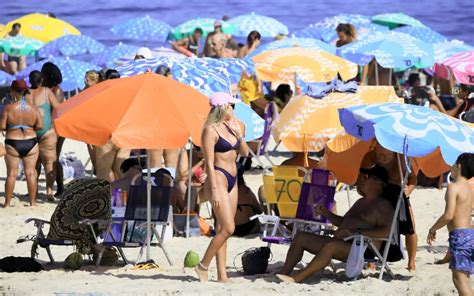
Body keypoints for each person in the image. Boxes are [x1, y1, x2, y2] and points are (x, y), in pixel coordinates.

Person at [276, 165, 394, 283]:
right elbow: (343, 222)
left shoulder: (383, 206)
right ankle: (284, 272)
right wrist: (326, 213)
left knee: (331, 246)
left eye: (367, 177)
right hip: (343, 242)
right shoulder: (361, 201)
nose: (362, 179)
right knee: (301, 237)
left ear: (379, 183)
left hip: (361, 247)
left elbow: (386, 231)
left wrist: (355, 232)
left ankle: (296, 278)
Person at [195, 92, 249, 283]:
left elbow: (246, 153)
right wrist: (214, 189)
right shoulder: (210, 130)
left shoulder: (233, 126)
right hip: (218, 177)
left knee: (222, 228)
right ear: (222, 107)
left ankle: (222, 275)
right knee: (228, 228)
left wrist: (239, 136)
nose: (233, 109)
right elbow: (208, 162)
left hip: (234, 178)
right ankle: (202, 265)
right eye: (230, 106)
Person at [360, 141, 418, 271]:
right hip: (377, 197)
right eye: (381, 155)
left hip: (399, 196)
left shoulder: (402, 157)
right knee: (372, 227)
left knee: (410, 229)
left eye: (387, 155)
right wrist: (365, 191)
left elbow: (413, 178)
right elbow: (360, 182)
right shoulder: (369, 157)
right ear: (375, 149)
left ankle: (411, 261)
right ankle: (371, 261)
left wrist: (409, 189)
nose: (384, 158)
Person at [427, 153, 473, 296]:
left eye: (453, 164)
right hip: (470, 234)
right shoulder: (469, 189)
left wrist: (433, 228)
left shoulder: (453, 187)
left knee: (460, 281)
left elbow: (448, 215)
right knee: (465, 277)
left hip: (460, 236)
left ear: (458, 166)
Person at [1, 80, 42, 207]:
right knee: (30, 172)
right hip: (31, 141)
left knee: (11, 174)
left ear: (13, 91)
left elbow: (2, 126)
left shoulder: (8, 108)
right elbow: (40, 126)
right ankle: (32, 203)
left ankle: (7, 203)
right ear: (25, 91)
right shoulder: (33, 108)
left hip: (13, 141)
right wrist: (29, 129)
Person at [27, 70, 60, 199]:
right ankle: (49, 191)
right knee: (49, 163)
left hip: (30, 132)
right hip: (47, 132)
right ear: (42, 80)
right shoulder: (47, 91)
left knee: (32, 164)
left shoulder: (25, 94)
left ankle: (32, 192)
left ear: (29, 81)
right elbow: (57, 108)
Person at [145, 66, 180, 169]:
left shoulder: (152, 91)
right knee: (171, 167)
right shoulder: (175, 91)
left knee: (155, 166)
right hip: (173, 129)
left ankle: (156, 185)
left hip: (156, 129)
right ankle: (170, 184)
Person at [41, 62, 66, 197]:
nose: (41, 76)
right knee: (46, 157)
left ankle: (61, 187)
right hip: (48, 127)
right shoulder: (46, 88)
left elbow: (55, 112)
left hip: (57, 128)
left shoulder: (57, 91)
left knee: (54, 157)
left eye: (43, 73)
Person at [172, 144, 207, 213]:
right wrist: (201, 162)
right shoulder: (186, 153)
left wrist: (207, 175)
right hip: (188, 187)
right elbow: (183, 176)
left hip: (203, 187)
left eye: (203, 148)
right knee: (182, 185)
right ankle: (190, 214)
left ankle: (193, 215)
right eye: (197, 148)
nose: (200, 152)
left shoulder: (212, 154)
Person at [233, 166, 262, 237]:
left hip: (230, 230)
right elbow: (259, 210)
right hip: (250, 228)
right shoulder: (246, 191)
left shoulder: (221, 191)